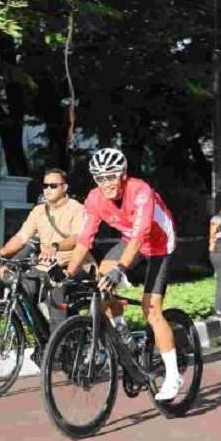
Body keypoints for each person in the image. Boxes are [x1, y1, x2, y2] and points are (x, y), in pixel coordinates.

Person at [62, 148, 181, 402]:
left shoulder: (141, 191)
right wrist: (68, 274)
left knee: (151, 310)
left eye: (111, 176)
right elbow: (84, 240)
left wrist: (121, 269)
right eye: (99, 178)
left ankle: (173, 376)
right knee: (101, 282)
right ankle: (121, 331)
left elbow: (141, 235)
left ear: (123, 175)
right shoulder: (94, 198)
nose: (105, 183)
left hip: (159, 244)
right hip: (130, 241)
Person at [0, 168, 94, 332]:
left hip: (74, 264)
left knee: (56, 293)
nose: (48, 189)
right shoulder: (39, 211)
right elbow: (21, 237)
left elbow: (77, 238)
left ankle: (59, 344)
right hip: (45, 266)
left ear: (64, 187)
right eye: (45, 185)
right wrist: (0, 253)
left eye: (53, 185)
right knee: (21, 292)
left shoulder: (76, 209)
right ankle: (43, 337)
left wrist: (56, 246)